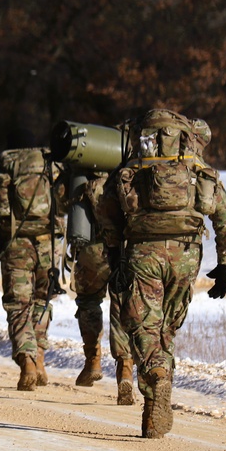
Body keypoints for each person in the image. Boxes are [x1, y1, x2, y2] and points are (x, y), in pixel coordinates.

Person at [98, 109, 226, 438]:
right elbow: (225, 217)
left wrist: (115, 254)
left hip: (142, 251)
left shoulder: (133, 166)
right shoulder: (197, 168)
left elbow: (107, 211)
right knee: (166, 329)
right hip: (187, 253)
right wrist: (225, 264)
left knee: (144, 325)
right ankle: (154, 409)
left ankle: (158, 376)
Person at [0, 128, 66, 391]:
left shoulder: (4, 170)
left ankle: (26, 361)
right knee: (43, 300)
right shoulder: (52, 168)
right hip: (49, 244)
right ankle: (40, 359)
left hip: (16, 245)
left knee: (19, 305)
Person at [67, 171, 134, 405]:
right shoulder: (128, 174)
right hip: (124, 252)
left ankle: (93, 360)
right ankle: (125, 371)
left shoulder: (84, 177)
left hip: (92, 253)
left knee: (88, 303)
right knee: (122, 308)